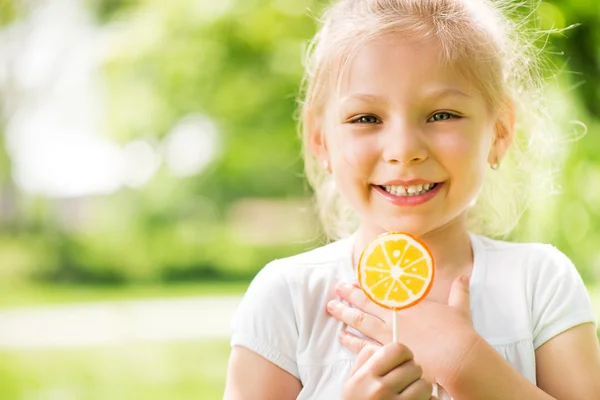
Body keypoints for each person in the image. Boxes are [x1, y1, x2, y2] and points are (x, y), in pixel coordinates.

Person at [224, 0, 600, 398]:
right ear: (321, 141)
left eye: (442, 115)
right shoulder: (287, 298)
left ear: (500, 133)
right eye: (366, 118)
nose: (403, 150)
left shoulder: (540, 284)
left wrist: (465, 361)